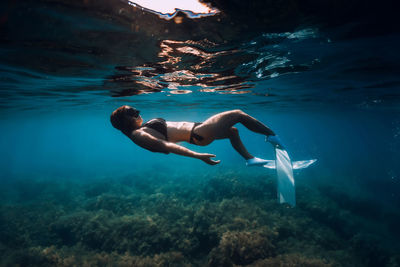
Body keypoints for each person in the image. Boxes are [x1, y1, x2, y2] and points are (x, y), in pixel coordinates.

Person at [110, 106, 284, 165]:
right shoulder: (138, 135)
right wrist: (198, 156)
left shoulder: (140, 130)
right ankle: (273, 136)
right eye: (132, 112)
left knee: (233, 131)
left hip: (199, 131)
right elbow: (165, 146)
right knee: (238, 114)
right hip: (198, 134)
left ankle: (250, 159)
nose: (137, 112)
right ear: (125, 121)